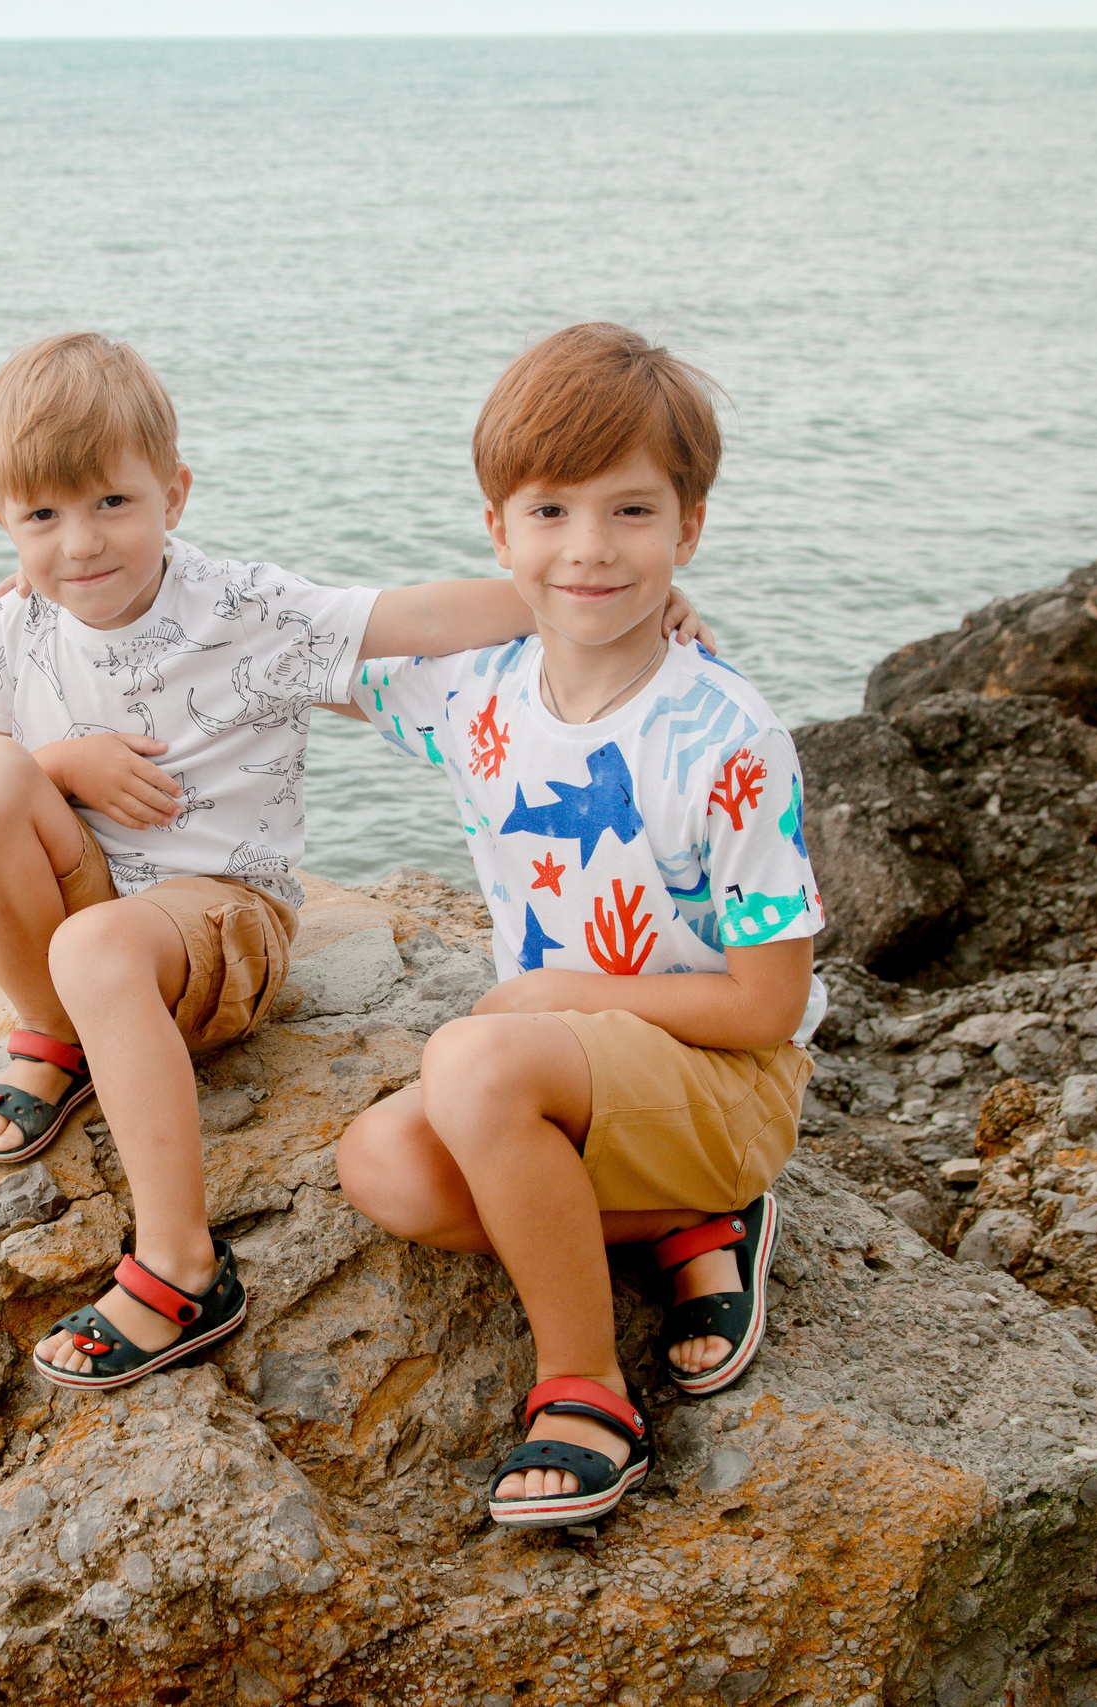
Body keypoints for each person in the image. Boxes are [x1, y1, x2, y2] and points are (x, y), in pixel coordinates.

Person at [0, 331, 717, 1393]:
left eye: (111, 504)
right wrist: (61, 761)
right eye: (42, 516)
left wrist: (592, 594)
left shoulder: (244, 611)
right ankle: (59, 1038)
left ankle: (180, 1269)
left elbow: (418, 617)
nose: (80, 543)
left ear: (173, 492)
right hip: (88, 918)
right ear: (2, 520)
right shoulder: (16, 624)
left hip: (213, 921)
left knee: (103, 942)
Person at [333, 323, 824, 1529]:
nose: (590, 549)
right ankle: (692, 1228)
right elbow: (291, 642)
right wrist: (83, 588)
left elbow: (767, 1007)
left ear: (688, 529)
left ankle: (586, 1387)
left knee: (477, 1056)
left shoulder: (728, 737)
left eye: (632, 514)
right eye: (548, 513)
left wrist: (553, 998)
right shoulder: (474, 692)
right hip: (569, 1082)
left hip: (727, 1077)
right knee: (383, 1166)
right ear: (496, 530)